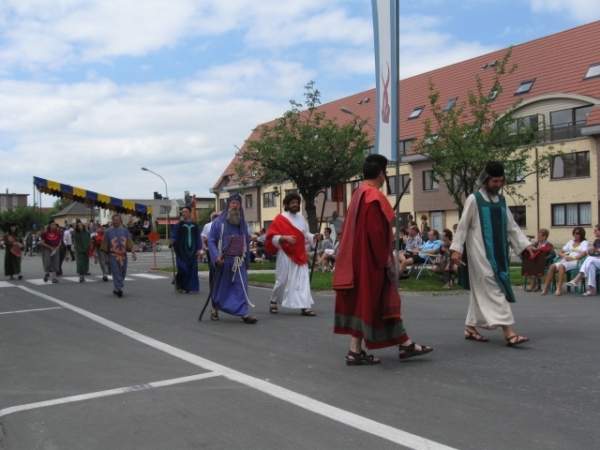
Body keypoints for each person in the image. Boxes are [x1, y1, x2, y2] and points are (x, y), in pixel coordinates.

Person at [333, 154, 432, 365]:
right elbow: (377, 235)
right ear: (382, 173)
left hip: (356, 260)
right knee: (386, 301)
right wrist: (386, 261)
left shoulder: (359, 193)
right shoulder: (375, 197)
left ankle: (355, 350)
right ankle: (405, 344)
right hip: (371, 262)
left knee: (365, 303)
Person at [451, 162, 535, 347]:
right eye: (495, 181)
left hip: (499, 253)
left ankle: (470, 328)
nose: (498, 184)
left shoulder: (502, 200)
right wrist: (457, 249)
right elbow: (463, 226)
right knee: (494, 288)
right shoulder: (474, 199)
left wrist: (525, 245)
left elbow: (511, 227)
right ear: (486, 180)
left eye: (501, 181)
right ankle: (509, 332)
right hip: (479, 253)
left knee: (481, 290)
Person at [266, 193, 319, 316]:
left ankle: (305, 306)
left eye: (297, 203)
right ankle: (273, 301)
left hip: (299, 253)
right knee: (282, 279)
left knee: (302, 280)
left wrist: (314, 237)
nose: (295, 205)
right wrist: (285, 238)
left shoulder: (301, 219)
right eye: (293, 203)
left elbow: (305, 235)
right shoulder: (280, 219)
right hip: (285, 253)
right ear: (287, 204)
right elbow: (271, 237)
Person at [207, 194, 257, 323]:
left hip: (238, 261)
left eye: (238, 203)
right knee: (219, 287)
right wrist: (216, 256)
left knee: (241, 287)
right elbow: (211, 240)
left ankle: (243, 313)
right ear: (228, 205)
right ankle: (214, 309)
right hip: (223, 260)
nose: (235, 205)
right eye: (233, 203)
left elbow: (246, 241)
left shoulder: (242, 225)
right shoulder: (218, 223)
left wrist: (247, 261)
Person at [540, 226, 588, 296]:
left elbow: (584, 253)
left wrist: (574, 257)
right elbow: (560, 252)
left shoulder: (584, 242)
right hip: (567, 260)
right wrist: (565, 256)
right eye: (574, 233)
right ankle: (545, 288)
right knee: (552, 266)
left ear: (581, 234)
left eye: (577, 233)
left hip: (577, 262)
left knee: (561, 266)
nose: (575, 235)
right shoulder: (571, 242)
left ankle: (559, 288)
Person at [101, 214, 137, 297]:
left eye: (117, 220)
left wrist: (133, 253)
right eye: (114, 220)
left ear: (120, 221)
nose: (116, 221)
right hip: (113, 255)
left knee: (123, 272)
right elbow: (104, 246)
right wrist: (106, 257)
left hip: (123, 255)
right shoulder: (108, 232)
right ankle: (119, 288)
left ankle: (116, 288)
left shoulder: (125, 231)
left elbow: (130, 243)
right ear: (112, 221)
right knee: (116, 271)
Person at [170, 205, 202, 293]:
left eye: (185, 211)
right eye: (182, 212)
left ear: (190, 213)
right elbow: (175, 236)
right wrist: (173, 241)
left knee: (192, 270)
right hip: (181, 251)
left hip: (193, 251)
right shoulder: (178, 225)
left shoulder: (195, 225)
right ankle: (179, 283)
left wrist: (199, 249)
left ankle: (189, 287)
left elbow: (197, 238)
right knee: (183, 268)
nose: (183, 213)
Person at [566, 224, 600, 295]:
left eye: (595, 230)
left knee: (590, 259)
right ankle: (592, 289)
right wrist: (588, 250)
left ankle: (577, 278)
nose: (594, 232)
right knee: (591, 265)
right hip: (597, 261)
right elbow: (592, 251)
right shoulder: (597, 241)